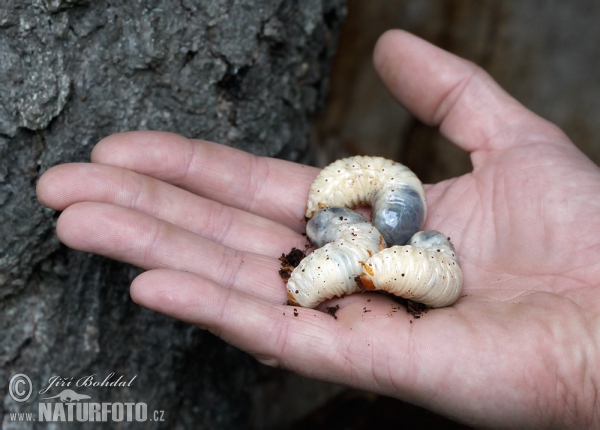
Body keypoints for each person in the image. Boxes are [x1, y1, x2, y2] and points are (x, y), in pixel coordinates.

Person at [36, 30, 600, 427]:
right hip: (365, 247)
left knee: (367, 253)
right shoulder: (366, 224)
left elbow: (397, 259)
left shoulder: (395, 248)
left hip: (380, 256)